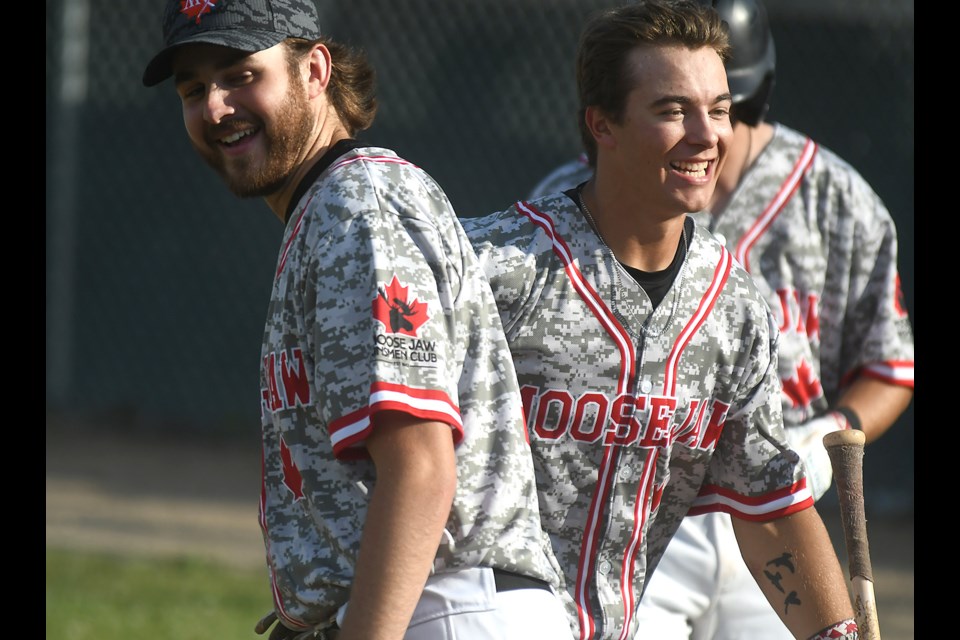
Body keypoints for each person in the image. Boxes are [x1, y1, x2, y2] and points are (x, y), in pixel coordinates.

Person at [141, 1, 572, 639]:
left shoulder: (354, 207)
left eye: (238, 74)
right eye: (194, 89)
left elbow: (420, 467)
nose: (214, 107)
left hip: (444, 608)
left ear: (314, 69)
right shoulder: (331, 209)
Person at [463, 2, 861, 639]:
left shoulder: (733, 307)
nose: (708, 136)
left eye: (720, 109)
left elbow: (770, 509)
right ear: (603, 125)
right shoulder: (492, 270)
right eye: (674, 110)